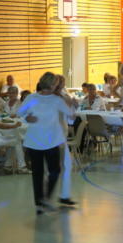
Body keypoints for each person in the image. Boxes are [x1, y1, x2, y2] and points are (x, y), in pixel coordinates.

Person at [18, 72, 74, 214]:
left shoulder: (44, 99)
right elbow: (19, 113)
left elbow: (19, 113)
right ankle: (43, 201)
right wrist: (27, 119)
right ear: (52, 84)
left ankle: (42, 201)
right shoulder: (45, 99)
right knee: (47, 172)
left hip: (44, 141)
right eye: (56, 83)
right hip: (43, 141)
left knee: (45, 172)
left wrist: (27, 118)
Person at [54, 75, 78, 206]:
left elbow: (71, 115)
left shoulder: (63, 95)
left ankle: (64, 195)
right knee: (56, 167)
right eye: (60, 83)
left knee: (65, 165)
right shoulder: (55, 98)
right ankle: (51, 197)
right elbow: (71, 114)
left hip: (61, 134)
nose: (62, 85)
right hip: (54, 136)